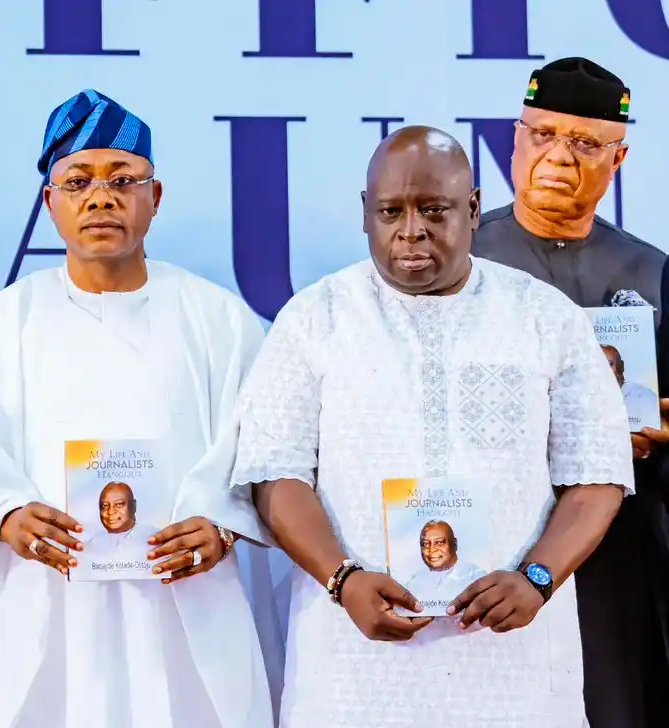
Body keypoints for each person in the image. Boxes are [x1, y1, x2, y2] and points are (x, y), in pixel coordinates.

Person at [232, 125, 633, 727]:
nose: (411, 230)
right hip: (353, 665)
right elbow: (274, 473)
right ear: (365, 213)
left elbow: (597, 472)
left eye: (434, 210)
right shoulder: (315, 319)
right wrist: (342, 579)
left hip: (512, 664)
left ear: (472, 209)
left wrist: (537, 579)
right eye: (390, 212)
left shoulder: (546, 318)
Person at [0, 89, 277, 728]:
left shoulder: (218, 319)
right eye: (78, 181)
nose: (101, 197)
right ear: (49, 202)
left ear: (155, 197)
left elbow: (264, 448)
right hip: (46, 600)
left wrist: (222, 525)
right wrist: (6, 514)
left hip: (185, 602)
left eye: (123, 179)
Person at [472, 57, 669, 727]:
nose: (559, 157)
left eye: (586, 143)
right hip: (492, 547)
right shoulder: (458, 262)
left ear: (619, 158)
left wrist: (657, 434)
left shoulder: (652, 273)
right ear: (515, 139)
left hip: (616, 557)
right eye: (544, 135)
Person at [402, 521, 487, 605]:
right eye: (425, 544)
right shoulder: (414, 581)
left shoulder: (474, 576)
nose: (432, 549)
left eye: (439, 543)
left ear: (454, 544)